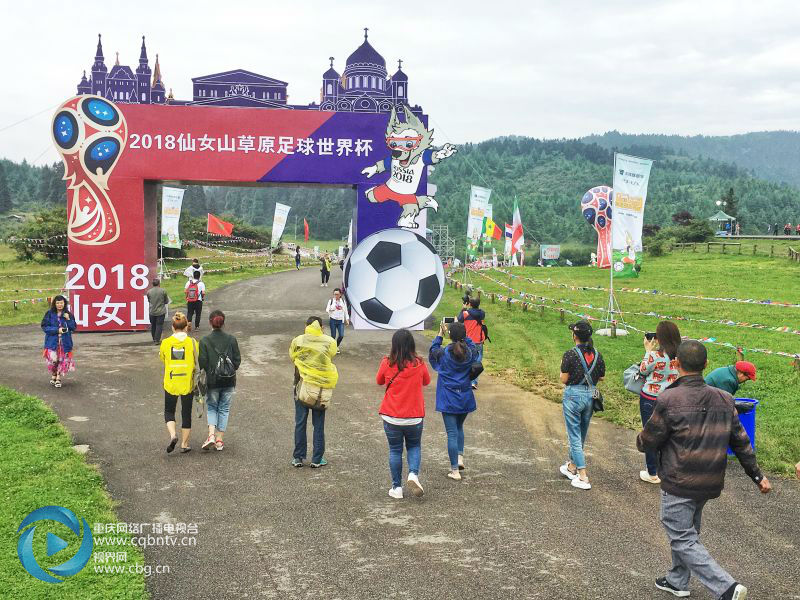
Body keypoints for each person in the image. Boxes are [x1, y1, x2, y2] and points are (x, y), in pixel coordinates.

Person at [637, 340, 771, 600]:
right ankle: (677, 580)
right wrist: (757, 475)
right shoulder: (725, 398)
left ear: (676, 365)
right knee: (688, 531)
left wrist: (641, 440)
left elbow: (649, 440)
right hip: (709, 480)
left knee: (681, 536)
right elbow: (741, 441)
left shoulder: (668, 398)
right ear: (706, 365)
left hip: (679, 479)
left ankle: (727, 587)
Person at [376, 329, 431, 499]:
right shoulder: (419, 364)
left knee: (395, 450)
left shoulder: (387, 363)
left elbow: (379, 381)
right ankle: (413, 474)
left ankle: (396, 488)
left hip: (392, 415)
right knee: (414, 446)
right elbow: (427, 381)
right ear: (411, 345)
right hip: (414, 417)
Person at [558, 321, 605, 490]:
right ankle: (571, 465)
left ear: (574, 336)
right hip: (591, 396)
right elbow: (601, 377)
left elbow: (564, 379)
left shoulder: (569, 354)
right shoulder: (598, 354)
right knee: (581, 433)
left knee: (574, 435)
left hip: (573, 395)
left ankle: (583, 476)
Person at [429, 321, 478, 481]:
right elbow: (475, 349)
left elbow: (432, 352)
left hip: (448, 398)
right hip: (465, 396)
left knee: (451, 432)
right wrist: (464, 335)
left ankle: (454, 470)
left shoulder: (443, 354)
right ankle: (460, 457)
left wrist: (440, 335)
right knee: (459, 428)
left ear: (450, 336)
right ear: (464, 336)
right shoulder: (470, 353)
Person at [289, 316, 338, 468]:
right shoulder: (329, 342)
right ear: (321, 327)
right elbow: (331, 355)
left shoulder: (298, 341)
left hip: (302, 387)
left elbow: (293, 357)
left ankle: (298, 457)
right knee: (318, 425)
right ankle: (317, 459)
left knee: (300, 423)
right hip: (320, 390)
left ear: (306, 326)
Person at [637, 321, 681, 484]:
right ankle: (668, 469)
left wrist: (648, 350)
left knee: (650, 434)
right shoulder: (681, 356)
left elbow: (643, 370)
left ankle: (652, 472)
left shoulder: (656, 355)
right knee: (669, 433)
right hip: (672, 397)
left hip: (651, 397)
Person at [198, 310, 241, 452]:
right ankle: (219, 440)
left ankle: (210, 435)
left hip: (212, 381)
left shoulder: (205, 341)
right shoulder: (231, 339)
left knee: (212, 407)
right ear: (223, 323)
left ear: (210, 322)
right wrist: (228, 369)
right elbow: (237, 361)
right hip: (229, 380)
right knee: (224, 408)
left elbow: (202, 362)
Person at [159, 312, 199, 454]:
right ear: (186, 327)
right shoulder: (192, 343)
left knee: (169, 411)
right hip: (187, 382)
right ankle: (184, 443)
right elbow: (197, 360)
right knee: (186, 413)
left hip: (171, 382)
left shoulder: (165, 343)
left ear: (173, 327)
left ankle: (173, 435)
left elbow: (163, 359)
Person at [41, 295, 77, 388]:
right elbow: (45, 327)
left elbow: (73, 327)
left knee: (62, 360)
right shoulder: (49, 313)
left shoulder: (68, 314)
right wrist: (57, 330)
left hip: (65, 342)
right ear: (54, 304)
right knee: (53, 361)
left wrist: (68, 319)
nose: (59, 305)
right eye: (57, 303)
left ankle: (58, 378)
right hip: (52, 342)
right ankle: (53, 374)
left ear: (64, 303)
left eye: (61, 302)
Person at [458, 296, 488, 389]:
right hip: (479, 341)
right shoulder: (482, 313)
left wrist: (464, 308)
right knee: (477, 360)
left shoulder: (466, 313)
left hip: (468, 341)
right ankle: (473, 382)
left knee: (466, 360)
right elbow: (477, 312)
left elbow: (459, 319)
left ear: (470, 304)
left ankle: (465, 380)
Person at [146, 278, 171, 345]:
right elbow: (166, 301)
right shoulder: (163, 291)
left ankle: (154, 338)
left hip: (152, 311)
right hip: (161, 311)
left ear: (152, 284)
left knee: (153, 325)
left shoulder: (149, 292)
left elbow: (149, 300)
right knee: (159, 325)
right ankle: (157, 340)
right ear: (159, 283)